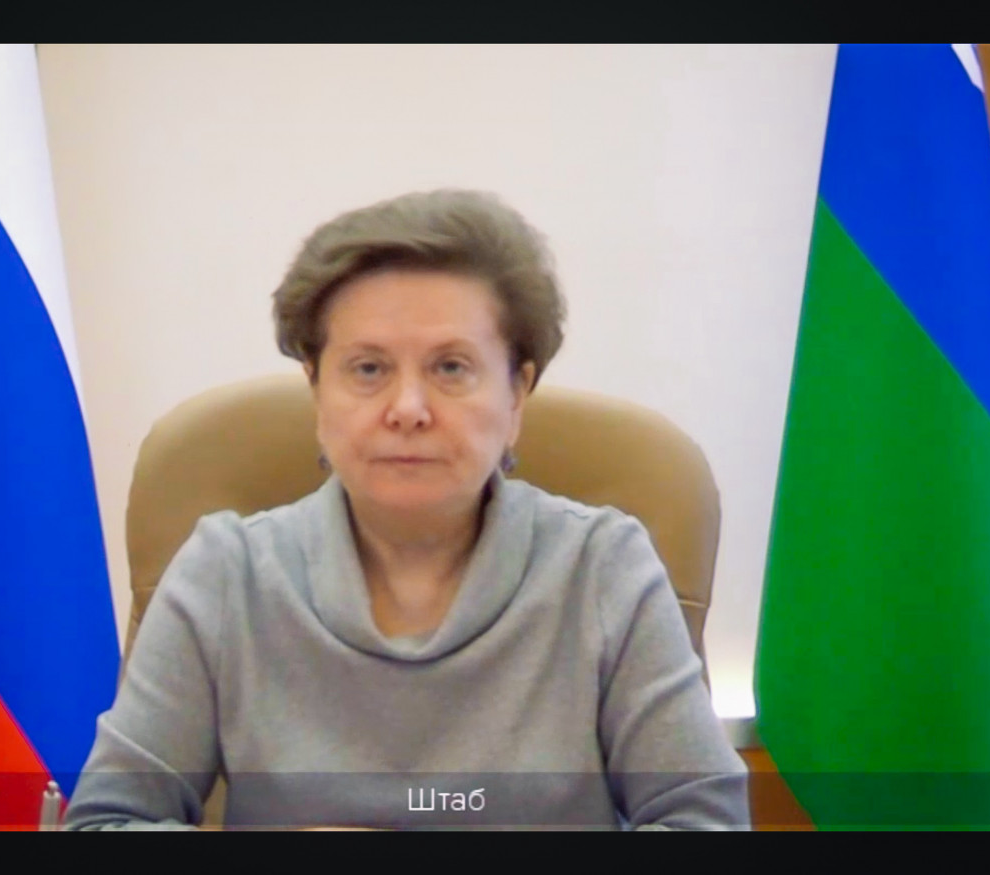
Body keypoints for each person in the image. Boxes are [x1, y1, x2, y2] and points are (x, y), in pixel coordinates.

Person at [64, 190, 750, 830]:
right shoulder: (225, 574)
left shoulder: (604, 569)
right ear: (316, 391)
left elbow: (705, 821)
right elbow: (104, 821)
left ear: (517, 396)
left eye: (451, 367)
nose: (408, 409)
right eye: (368, 368)